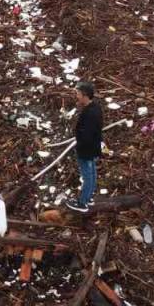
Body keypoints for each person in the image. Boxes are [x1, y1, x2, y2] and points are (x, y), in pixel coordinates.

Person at [66, 82, 103, 213]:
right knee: (92, 173)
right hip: (93, 147)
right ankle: (89, 197)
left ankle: (82, 203)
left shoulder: (90, 113)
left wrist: (80, 145)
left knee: (87, 175)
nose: (76, 96)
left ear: (85, 95)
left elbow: (87, 134)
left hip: (87, 150)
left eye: (78, 93)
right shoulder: (95, 108)